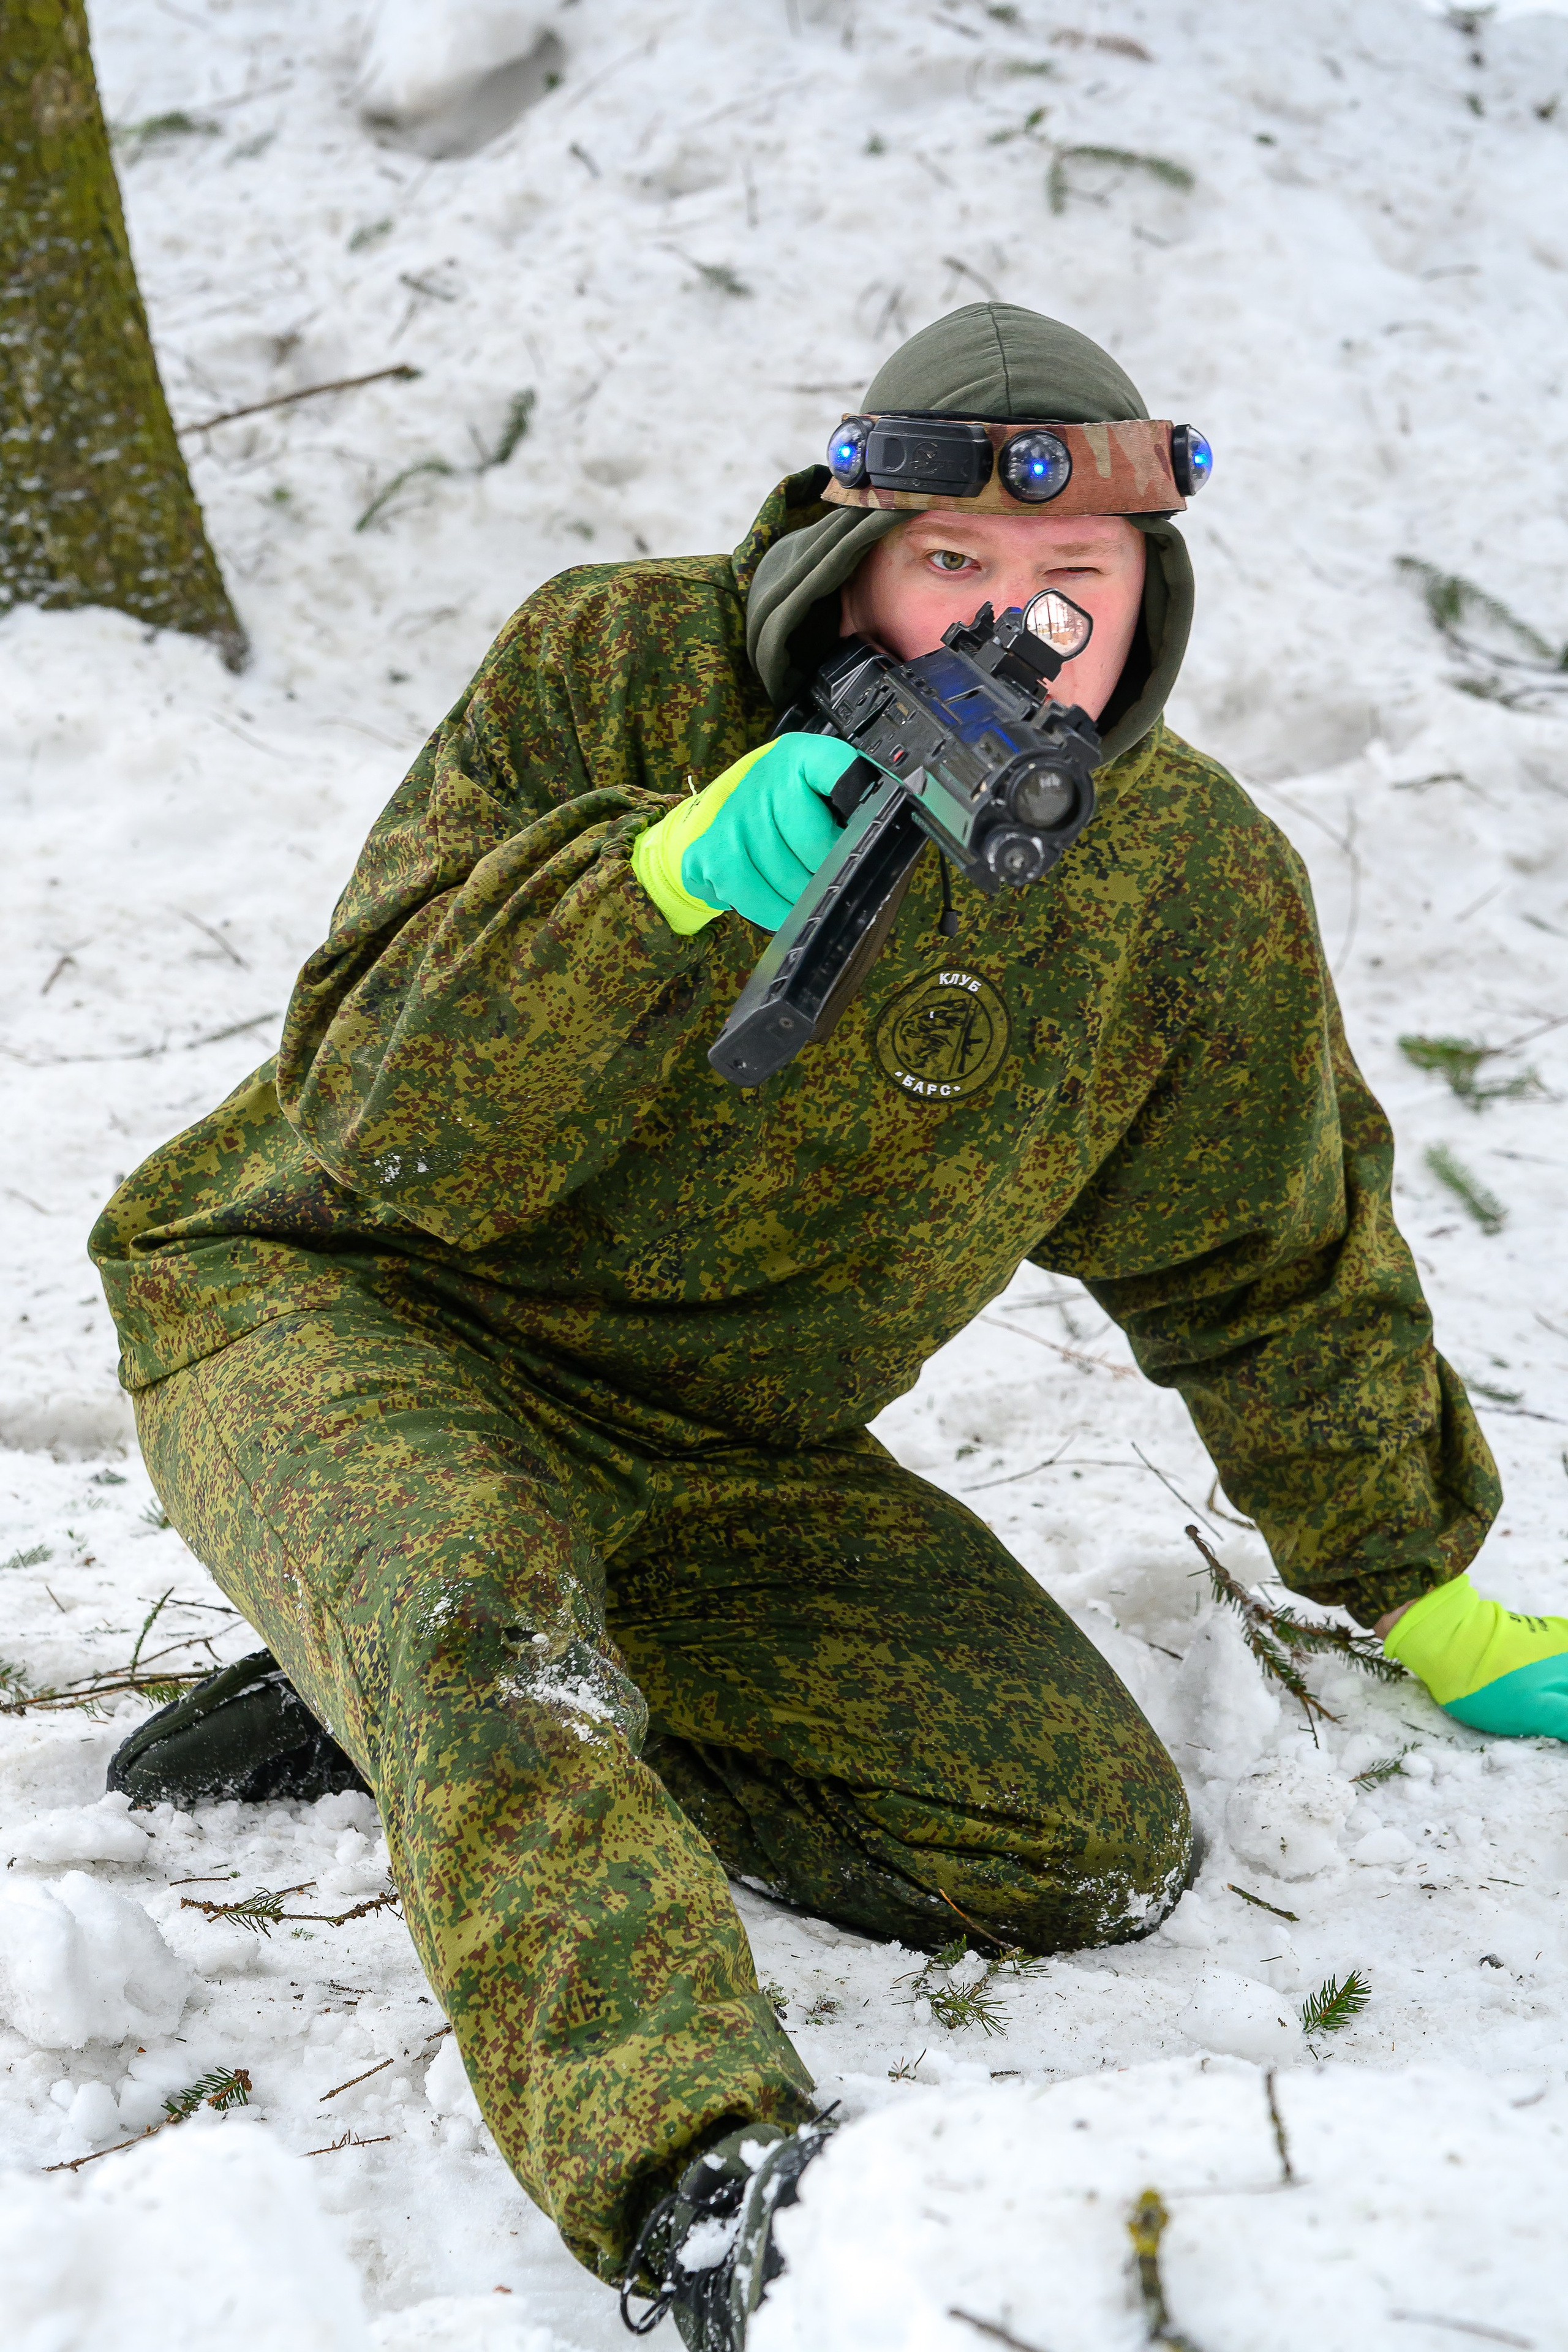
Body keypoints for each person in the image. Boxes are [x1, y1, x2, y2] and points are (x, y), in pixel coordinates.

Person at [89, 304, 1567, 2348]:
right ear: (850, 552)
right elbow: (373, 1101)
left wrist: (1422, 1585)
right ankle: (692, 2172)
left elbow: (1265, 1252)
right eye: (953, 568)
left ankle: (405, 1683)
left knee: (1072, 1846)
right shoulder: (609, 664)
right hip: (344, 1305)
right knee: (480, 1638)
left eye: (1077, 583)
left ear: (1155, 593)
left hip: (705, 1445)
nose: (1017, 629)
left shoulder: (1183, 884)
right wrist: (657, 883)